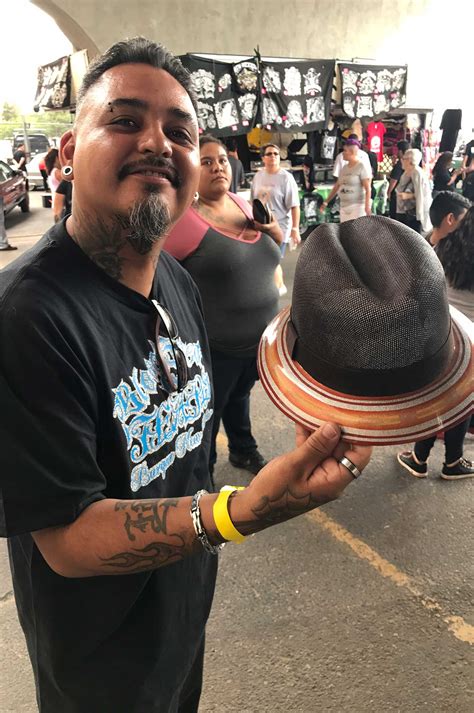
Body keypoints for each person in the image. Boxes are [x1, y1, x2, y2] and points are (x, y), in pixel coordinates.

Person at [0, 38, 371, 713]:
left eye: (179, 130)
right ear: (66, 155)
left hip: (182, 614)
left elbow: (190, 447)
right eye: (124, 120)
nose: (157, 142)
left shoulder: (175, 279)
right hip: (98, 663)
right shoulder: (27, 314)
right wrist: (239, 511)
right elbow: (68, 537)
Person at [165, 134, 283, 477]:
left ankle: (243, 450)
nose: (218, 167)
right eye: (206, 162)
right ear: (190, 170)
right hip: (215, 347)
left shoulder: (242, 203)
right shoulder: (182, 220)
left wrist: (274, 230)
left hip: (258, 343)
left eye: (221, 160)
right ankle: (203, 478)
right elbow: (155, 281)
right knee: (208, 413)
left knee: (239, 396)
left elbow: (273, 252)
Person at [397, 200, 473, 481]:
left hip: (442, 335)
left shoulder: (443, 249)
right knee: (462, 400)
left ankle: (419, 457)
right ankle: (452, 461)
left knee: (437, 397)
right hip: (471, 345)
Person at [251, 143, 301, 295]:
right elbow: (253, 201)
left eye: (276, 154)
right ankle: (271, 287)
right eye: (269, 154)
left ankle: (277, 289)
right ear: (263, 158)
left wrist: (295, 229)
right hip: (261, 226)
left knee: (274, 259)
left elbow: (295, 205)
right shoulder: (258, 176)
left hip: (280, 226)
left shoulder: (286, 178)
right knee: (263, 260)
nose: (273, 156)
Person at [320, 137, 371, 222]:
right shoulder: (344, 168)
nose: (343, 153)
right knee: (345, 232)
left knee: (356, 232)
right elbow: (337, 186)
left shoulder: (361, 167)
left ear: (352, 152)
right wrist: (326, 202)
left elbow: (368, 188)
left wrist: (367, 206)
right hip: (344, 206)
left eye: (345, 151)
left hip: (357, 206)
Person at [395, 148, 432, 233]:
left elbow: (420, 194)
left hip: (414, 213)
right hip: (405, 210)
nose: (402, 161)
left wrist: (408, 195)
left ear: (409, 160)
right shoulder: (407, 172)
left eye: (403, 159)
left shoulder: (417, 172)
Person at [387, 140, 410, 218]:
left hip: (397, 193)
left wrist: (389, 192)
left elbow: (394, 180)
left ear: (400, 151)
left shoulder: (400, 164)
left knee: (394, 215)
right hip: (406, 192)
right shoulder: (408, 162)